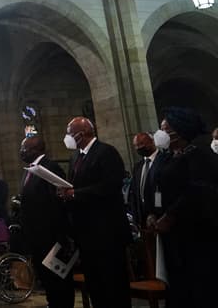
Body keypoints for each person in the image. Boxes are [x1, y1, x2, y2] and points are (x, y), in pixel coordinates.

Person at [149, 108, 218, 308]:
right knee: (177, 283)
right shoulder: (166, 157)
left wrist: (170, 216)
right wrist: (155, 211)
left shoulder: (201, 155)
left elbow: (197, 191)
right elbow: (158, 187)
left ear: (179, 131)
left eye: (165, 128)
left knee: (199, 284)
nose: (160, 132)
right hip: (171, 233)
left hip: (195, 231)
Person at [58, 116, 130, 308]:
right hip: (86, 232)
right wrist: (65, 192)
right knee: (96, 284)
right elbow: (74, 185)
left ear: (81, 134)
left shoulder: (106, 152)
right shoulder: (76, 157)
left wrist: (76, 194)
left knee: (113, 284)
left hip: (107, 231)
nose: (68, 137)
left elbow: (111, 185)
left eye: (69, 133)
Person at [19, 135, 74, 308]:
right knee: (48, 283)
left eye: (24, 148)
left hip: (51, 238)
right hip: (37, 238)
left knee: (59, 283)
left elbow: (57, 203)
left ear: (36, 149)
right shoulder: (31, 169)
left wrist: (59, 237)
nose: (21, 152)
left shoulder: (50, 168)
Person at [127, 132, 160, 229]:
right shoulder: (138, 167)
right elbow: (134, 193)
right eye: (136, 146)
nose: (138, 148)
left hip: (159, 215)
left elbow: (159, 191)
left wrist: (157, 213)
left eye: (141, 144)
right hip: (142, 219)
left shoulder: (163, 160)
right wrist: (136, 216)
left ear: (152, 142)